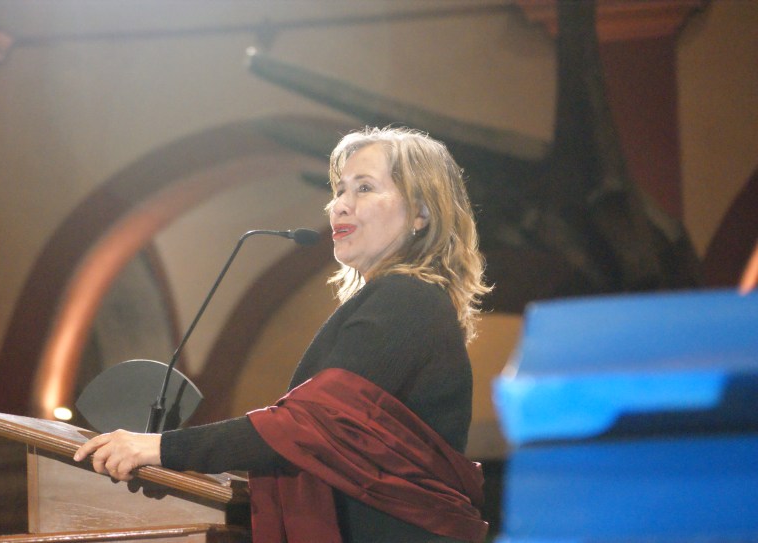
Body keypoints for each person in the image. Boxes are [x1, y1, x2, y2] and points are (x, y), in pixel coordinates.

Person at [74, 126, 492, 543]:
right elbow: (319, 432)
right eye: (339, 190)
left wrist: (160, 448)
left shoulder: (406, 298)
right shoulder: (402, 298)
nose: (340, 206)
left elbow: (305, 427)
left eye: (364, 188)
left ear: (421, 213)